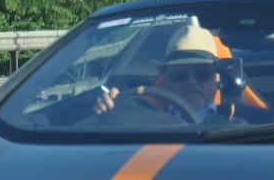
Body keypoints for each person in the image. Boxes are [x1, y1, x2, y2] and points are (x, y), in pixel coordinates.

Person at [93, 24, 224, 120]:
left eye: (203, 73)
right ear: (165, 79)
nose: (192, 81)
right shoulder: (141, 117)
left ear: (217, 76)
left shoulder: (241, 122)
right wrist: (111, 110)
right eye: (179, 74)